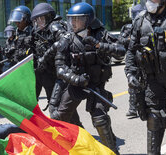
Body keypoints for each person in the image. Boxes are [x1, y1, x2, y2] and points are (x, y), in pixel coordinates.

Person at [55, 2, 126, 154]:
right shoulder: (67, 38)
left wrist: (101, 45)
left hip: (96, 87)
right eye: (71, 19)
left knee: (100, 119)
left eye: (78, 19)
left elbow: (121, 50)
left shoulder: (101, 34)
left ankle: (112, 151)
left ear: (88, 20)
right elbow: (60, 68)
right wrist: (76, 79)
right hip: (76, 85)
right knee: (58, 119)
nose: (73, 23)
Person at [125, 0, 166, 154]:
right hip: (153, 79)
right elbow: (131, 51)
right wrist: (130, 73)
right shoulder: (140, 21)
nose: (150, 2)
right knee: (154, 116)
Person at [30, 3, 70, 120]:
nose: (39, 22)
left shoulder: (54, 26)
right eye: (37, 20)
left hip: (56, 71)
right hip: (45, 72)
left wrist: (46, 56)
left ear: (49, 17)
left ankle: (70, 131)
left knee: (57, 106)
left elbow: (64, 41)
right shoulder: (38, 31)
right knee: (53, 103)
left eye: (42, 19)